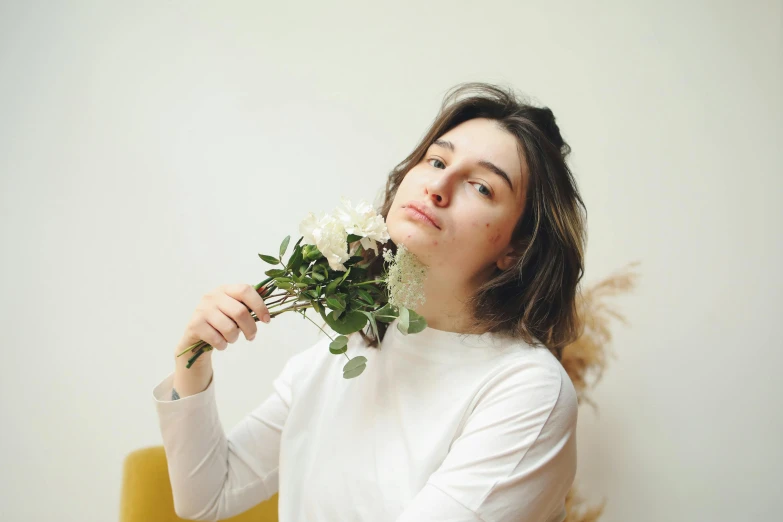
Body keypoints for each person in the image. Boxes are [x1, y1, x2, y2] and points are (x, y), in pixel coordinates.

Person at [152, 82, 587, 522]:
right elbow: (208, 498)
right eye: (436, 160)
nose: (439, 184)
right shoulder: (346, 350)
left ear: (516, 247)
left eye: (481, 187)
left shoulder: (528, 390)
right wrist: (192, 359)